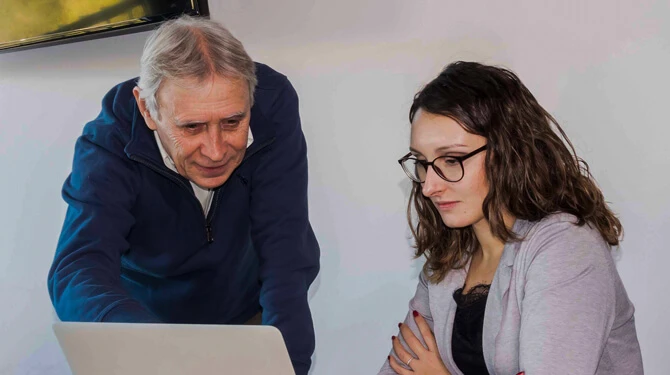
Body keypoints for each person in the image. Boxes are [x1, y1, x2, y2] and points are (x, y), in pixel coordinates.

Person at [47, 15, 320, 375]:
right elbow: (78, 269)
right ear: (147, 109)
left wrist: (291, 366)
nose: (216, 150)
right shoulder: (111, 139)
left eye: (232, 122)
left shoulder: (274, 104)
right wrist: (158, 352)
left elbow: (284, 247)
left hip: (250, 317)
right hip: (145, 325)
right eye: (192, 127)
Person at [379, 61, 643, 375]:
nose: (428, 186)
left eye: (451, 159)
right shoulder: (449, 262)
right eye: (422, 162)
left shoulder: (566, 248)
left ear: (507, 151)